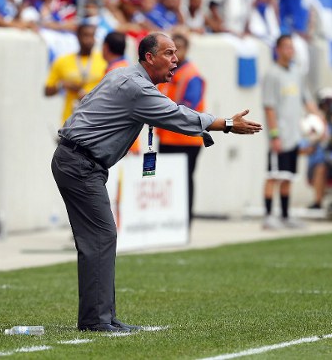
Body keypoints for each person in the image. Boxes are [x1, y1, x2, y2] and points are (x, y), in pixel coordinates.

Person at [51, 32, 262, 332]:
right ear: (149, 58)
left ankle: (103, 317)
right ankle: (96, 321)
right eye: (169, 53)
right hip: (79, 164)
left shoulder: (124, 76)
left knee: (101, 238)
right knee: (100, 237)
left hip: (79, 161)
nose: (175, 59)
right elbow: (176, 115)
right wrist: (227, 124)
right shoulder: (136, 87)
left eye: (176, 53)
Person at [262, 34, 317, 229]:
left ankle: (285, 215)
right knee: (274, 174)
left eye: (291, 47)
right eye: (286, 47)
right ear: (278, 49)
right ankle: (268, 216)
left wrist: (320, 120)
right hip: (280, 135)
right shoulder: (272, 75)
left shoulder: (296, 73)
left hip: (295, 135)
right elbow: (269, 107)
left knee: (288, 176)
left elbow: (307, 100)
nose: (289, 51)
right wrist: (274, 134)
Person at [156, 32, 205, 226]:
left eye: (177, 49)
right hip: (167, 137)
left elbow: (189, 106)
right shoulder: (166, 73)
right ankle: (170, 220)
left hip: (187, 140)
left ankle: (185, 221)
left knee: (184, 180)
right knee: (168, 182)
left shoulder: (191, 74)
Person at [44, 23, 107, 126]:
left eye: (92, 36)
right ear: (77, 36)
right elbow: (47, 91)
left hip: (97, 121)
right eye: (85, 35)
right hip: (71, 121)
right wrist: (62, 85)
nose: (89, 40)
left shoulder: (104, 61)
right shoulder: (62, 61)